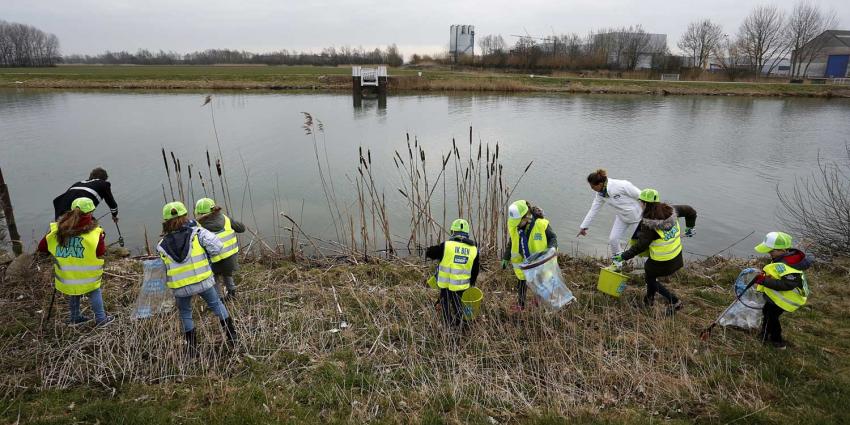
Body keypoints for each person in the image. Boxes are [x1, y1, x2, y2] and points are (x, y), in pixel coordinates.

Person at [157, 201, 237, 354]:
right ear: (185, 216)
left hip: (180, 287)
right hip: (203, 282)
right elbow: (218, 247)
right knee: (217, 305)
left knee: (186, 313)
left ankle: (193, 349)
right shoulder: (197, 233)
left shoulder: (161, 245)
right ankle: (232, 336)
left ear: (166, 221)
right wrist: (205, 256)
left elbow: (163, 268)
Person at [613, 189, 696, 315]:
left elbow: (641, 246)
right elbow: (691, 211)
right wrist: (690, 227)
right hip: (677, 257)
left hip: (662, 261)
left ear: (644, 204)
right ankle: (649, 301)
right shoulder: (672, 210)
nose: (640, 205)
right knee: (650, 275)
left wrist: (623, 256)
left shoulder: (649, 225)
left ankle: (674, 301)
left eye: (640, 202)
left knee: (650, 279)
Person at [38, 197, 114, 326]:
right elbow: (100, 252)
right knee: (95, 292)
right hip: (88, 276)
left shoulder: (56, 230)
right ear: (90, 213)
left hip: (66, 277)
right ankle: (101, 320)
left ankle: (74, 317)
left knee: (74, 291)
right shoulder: (95, 233)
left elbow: (42, 247)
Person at [753, 231, 812, 350]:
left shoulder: (787, 264)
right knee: (767, 312)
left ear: (783, 250)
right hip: (777, 297)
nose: (769, 253)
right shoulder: (782, 259)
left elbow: (787, 284)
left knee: (772, 317)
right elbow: (780, 275)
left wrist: (764, 281)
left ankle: (777, 341)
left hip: (786, 299)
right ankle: (764, 334)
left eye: (771, 251)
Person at [501, 200, 558, 312]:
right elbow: (512, 241)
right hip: (523, 263)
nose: (516, 225)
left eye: (518, 222)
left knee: (539, 281)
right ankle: (521, 305)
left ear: (526, 217)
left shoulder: (541, 224)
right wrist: (506, 257)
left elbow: (553, 238)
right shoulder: (516, 226)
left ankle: (538, 300)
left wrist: (552, 248)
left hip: (539, 262)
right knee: (521, 282)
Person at [425, 219, 480, 328]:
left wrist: (430, 250)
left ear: (453, 232)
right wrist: (471, 283)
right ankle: (462, 322)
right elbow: (475, 270)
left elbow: (430, 253)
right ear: (467, 233)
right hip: (463, 285)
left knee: (446, 303)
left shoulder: (447, 245)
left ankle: (448, 325)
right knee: (458, 303)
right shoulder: (473, 249)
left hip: (447, 284)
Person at [577, 169, 642, 256]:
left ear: (600, 184)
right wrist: (584, 227)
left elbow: (641, 195)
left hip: (637, 218)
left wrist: (651, 212)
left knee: (641, 243)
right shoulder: (600, 194)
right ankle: (618, 263)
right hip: (621, 217)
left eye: (593, 187)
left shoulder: (621, 185)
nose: (592, 189)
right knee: (613, 239)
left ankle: (649, 265)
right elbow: (593, 210)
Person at [194, 198, 246, 300]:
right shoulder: (226, 219)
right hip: (231, 261)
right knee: (227, 273)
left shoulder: (198, 227)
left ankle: (219, 299)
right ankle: (232, 293)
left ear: (199, 213)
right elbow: (242, 228)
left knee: (214, 278)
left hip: (213, 263)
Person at [52, 167, 119, 222]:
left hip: (59, 212)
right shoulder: (103, 184)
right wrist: (114, 215)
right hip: (76, 214)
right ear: (104, 179)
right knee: (96, 231)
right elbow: (111, 203)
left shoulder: (77, 183)